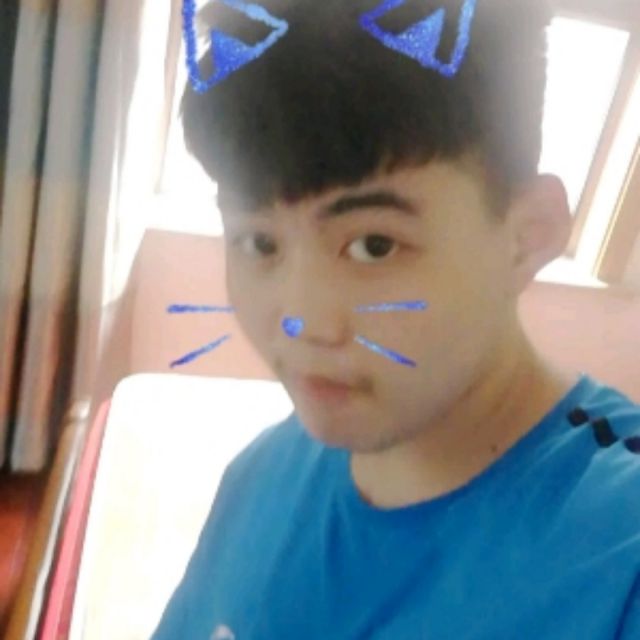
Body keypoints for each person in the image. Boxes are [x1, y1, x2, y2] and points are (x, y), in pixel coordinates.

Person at [152, 0, 640, 637]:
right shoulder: (259, 477)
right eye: (259, 242)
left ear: (528, 236)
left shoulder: (619, 558)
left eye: (374, 245)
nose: (303, 322)